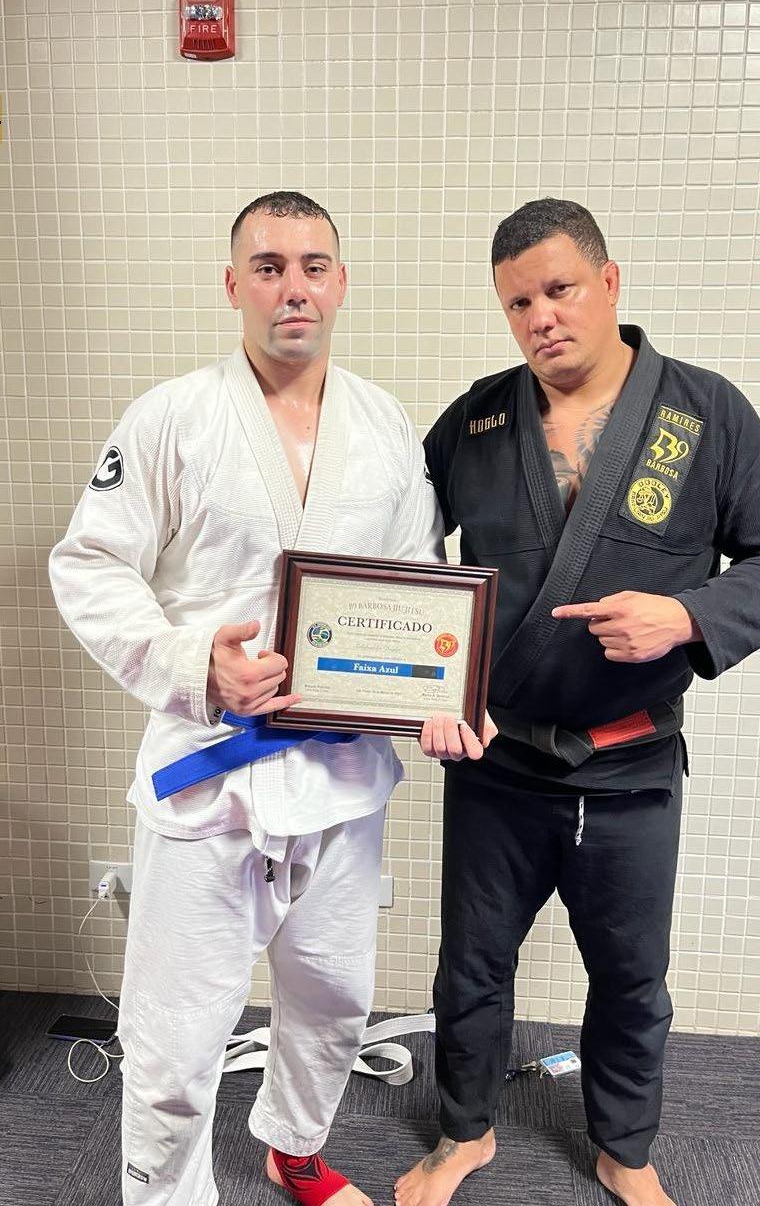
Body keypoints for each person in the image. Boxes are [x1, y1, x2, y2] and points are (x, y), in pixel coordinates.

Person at [49, 190, 492, 1206]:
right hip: (211, 775)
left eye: (312, 266)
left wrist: (442, 689)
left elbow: (419, 586)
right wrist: (192, 664)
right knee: (175, 1036)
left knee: (333, 1001)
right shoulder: (171, 417)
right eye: (268, 266)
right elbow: (90, 564)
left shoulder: (383, 426)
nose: (293, 287)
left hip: (340, 776)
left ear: (340, 283)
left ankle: (293, 1147)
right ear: (232, 285)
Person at [395, 198, 760, 1206]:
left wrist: (687, 615)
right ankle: (462, 1133)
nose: (540, 317)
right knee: (470, 967)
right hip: (496, 762)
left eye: (559, 289)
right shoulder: (477, 420)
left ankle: (624, 1149)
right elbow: (401, 560)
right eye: (517, 303)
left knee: (631, 978)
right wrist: (422, 681)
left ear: (609, 282)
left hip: (629, 767)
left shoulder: (704, 413)